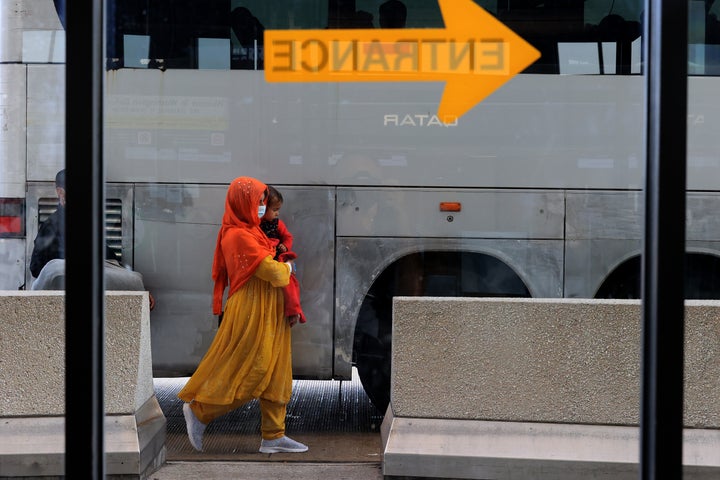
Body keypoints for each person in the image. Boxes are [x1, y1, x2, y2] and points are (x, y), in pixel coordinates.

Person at [178, 177, 308, 454]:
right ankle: (199, 411)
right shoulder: (238, 235)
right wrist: (288, 271)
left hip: (271, 307)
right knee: (253, 369)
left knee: (277, 373)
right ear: (243, 203)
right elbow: (271, 271)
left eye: (264, 203)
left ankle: (274, 435)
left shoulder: (253, 231)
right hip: (251, 309)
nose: (262, 208)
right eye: (258, 202)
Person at [29, 169, 155, 309]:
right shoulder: (51, 226)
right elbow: (37, 269)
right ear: (60, 192)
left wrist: (138, 292)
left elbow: (111, 263)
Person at [260, 186, 305, 325]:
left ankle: (294, 311)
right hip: (266, 260)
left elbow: (288, 237)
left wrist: (285, 246)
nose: (277, 213)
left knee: (289, 285)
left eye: (278, 210)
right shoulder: (255, 225)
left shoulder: (278, 224)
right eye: (274, 210)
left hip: (278, 259)